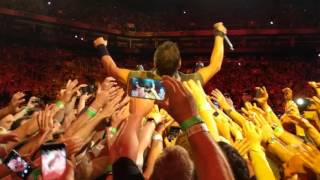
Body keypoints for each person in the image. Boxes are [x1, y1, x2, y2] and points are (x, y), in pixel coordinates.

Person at [93, 22, 227, 85]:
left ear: (154, 62)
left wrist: (101, 46)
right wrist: (219, 34)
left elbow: (112, 69)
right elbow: (216, 65)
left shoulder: (141, 80)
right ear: (179, 63)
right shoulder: (190, 82)